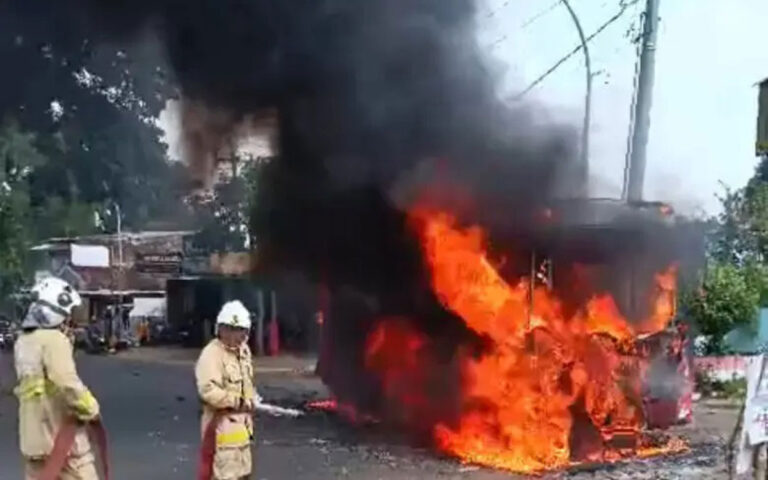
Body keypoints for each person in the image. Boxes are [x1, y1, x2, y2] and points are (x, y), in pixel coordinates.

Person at [14, 277, 102, 480]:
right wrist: (92, 408)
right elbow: (67, 383)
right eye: (67, 314)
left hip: (33, 445)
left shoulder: (23, 342)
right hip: (64, 445)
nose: (69, 321)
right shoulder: (54, 340)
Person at [195, 300, 255, 480]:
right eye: (237, 331)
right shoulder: (211, 354)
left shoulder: (243, 351)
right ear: (223, 330)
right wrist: (236, 401)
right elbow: (208, 390)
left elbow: (247, 383)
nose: (241, 337)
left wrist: (252, 399)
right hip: (221, 435)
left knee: (244, 474)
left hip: (243, 434)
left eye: (244, 332)